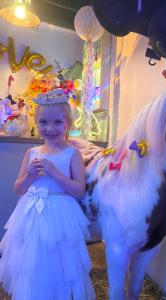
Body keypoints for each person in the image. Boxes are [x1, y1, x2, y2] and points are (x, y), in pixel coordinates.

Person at [0, 88, 95, 300]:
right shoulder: (31, 153)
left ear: (67, 124)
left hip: (60, 214)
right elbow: (18, 188)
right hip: (31, 213)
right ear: (37, 123)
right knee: (32, 259)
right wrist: (30, 176)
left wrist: (55, 173)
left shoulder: (73, 154)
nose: (50, 128)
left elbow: (79, 190)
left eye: (57, 123)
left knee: (58, 259)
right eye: (43, 122)